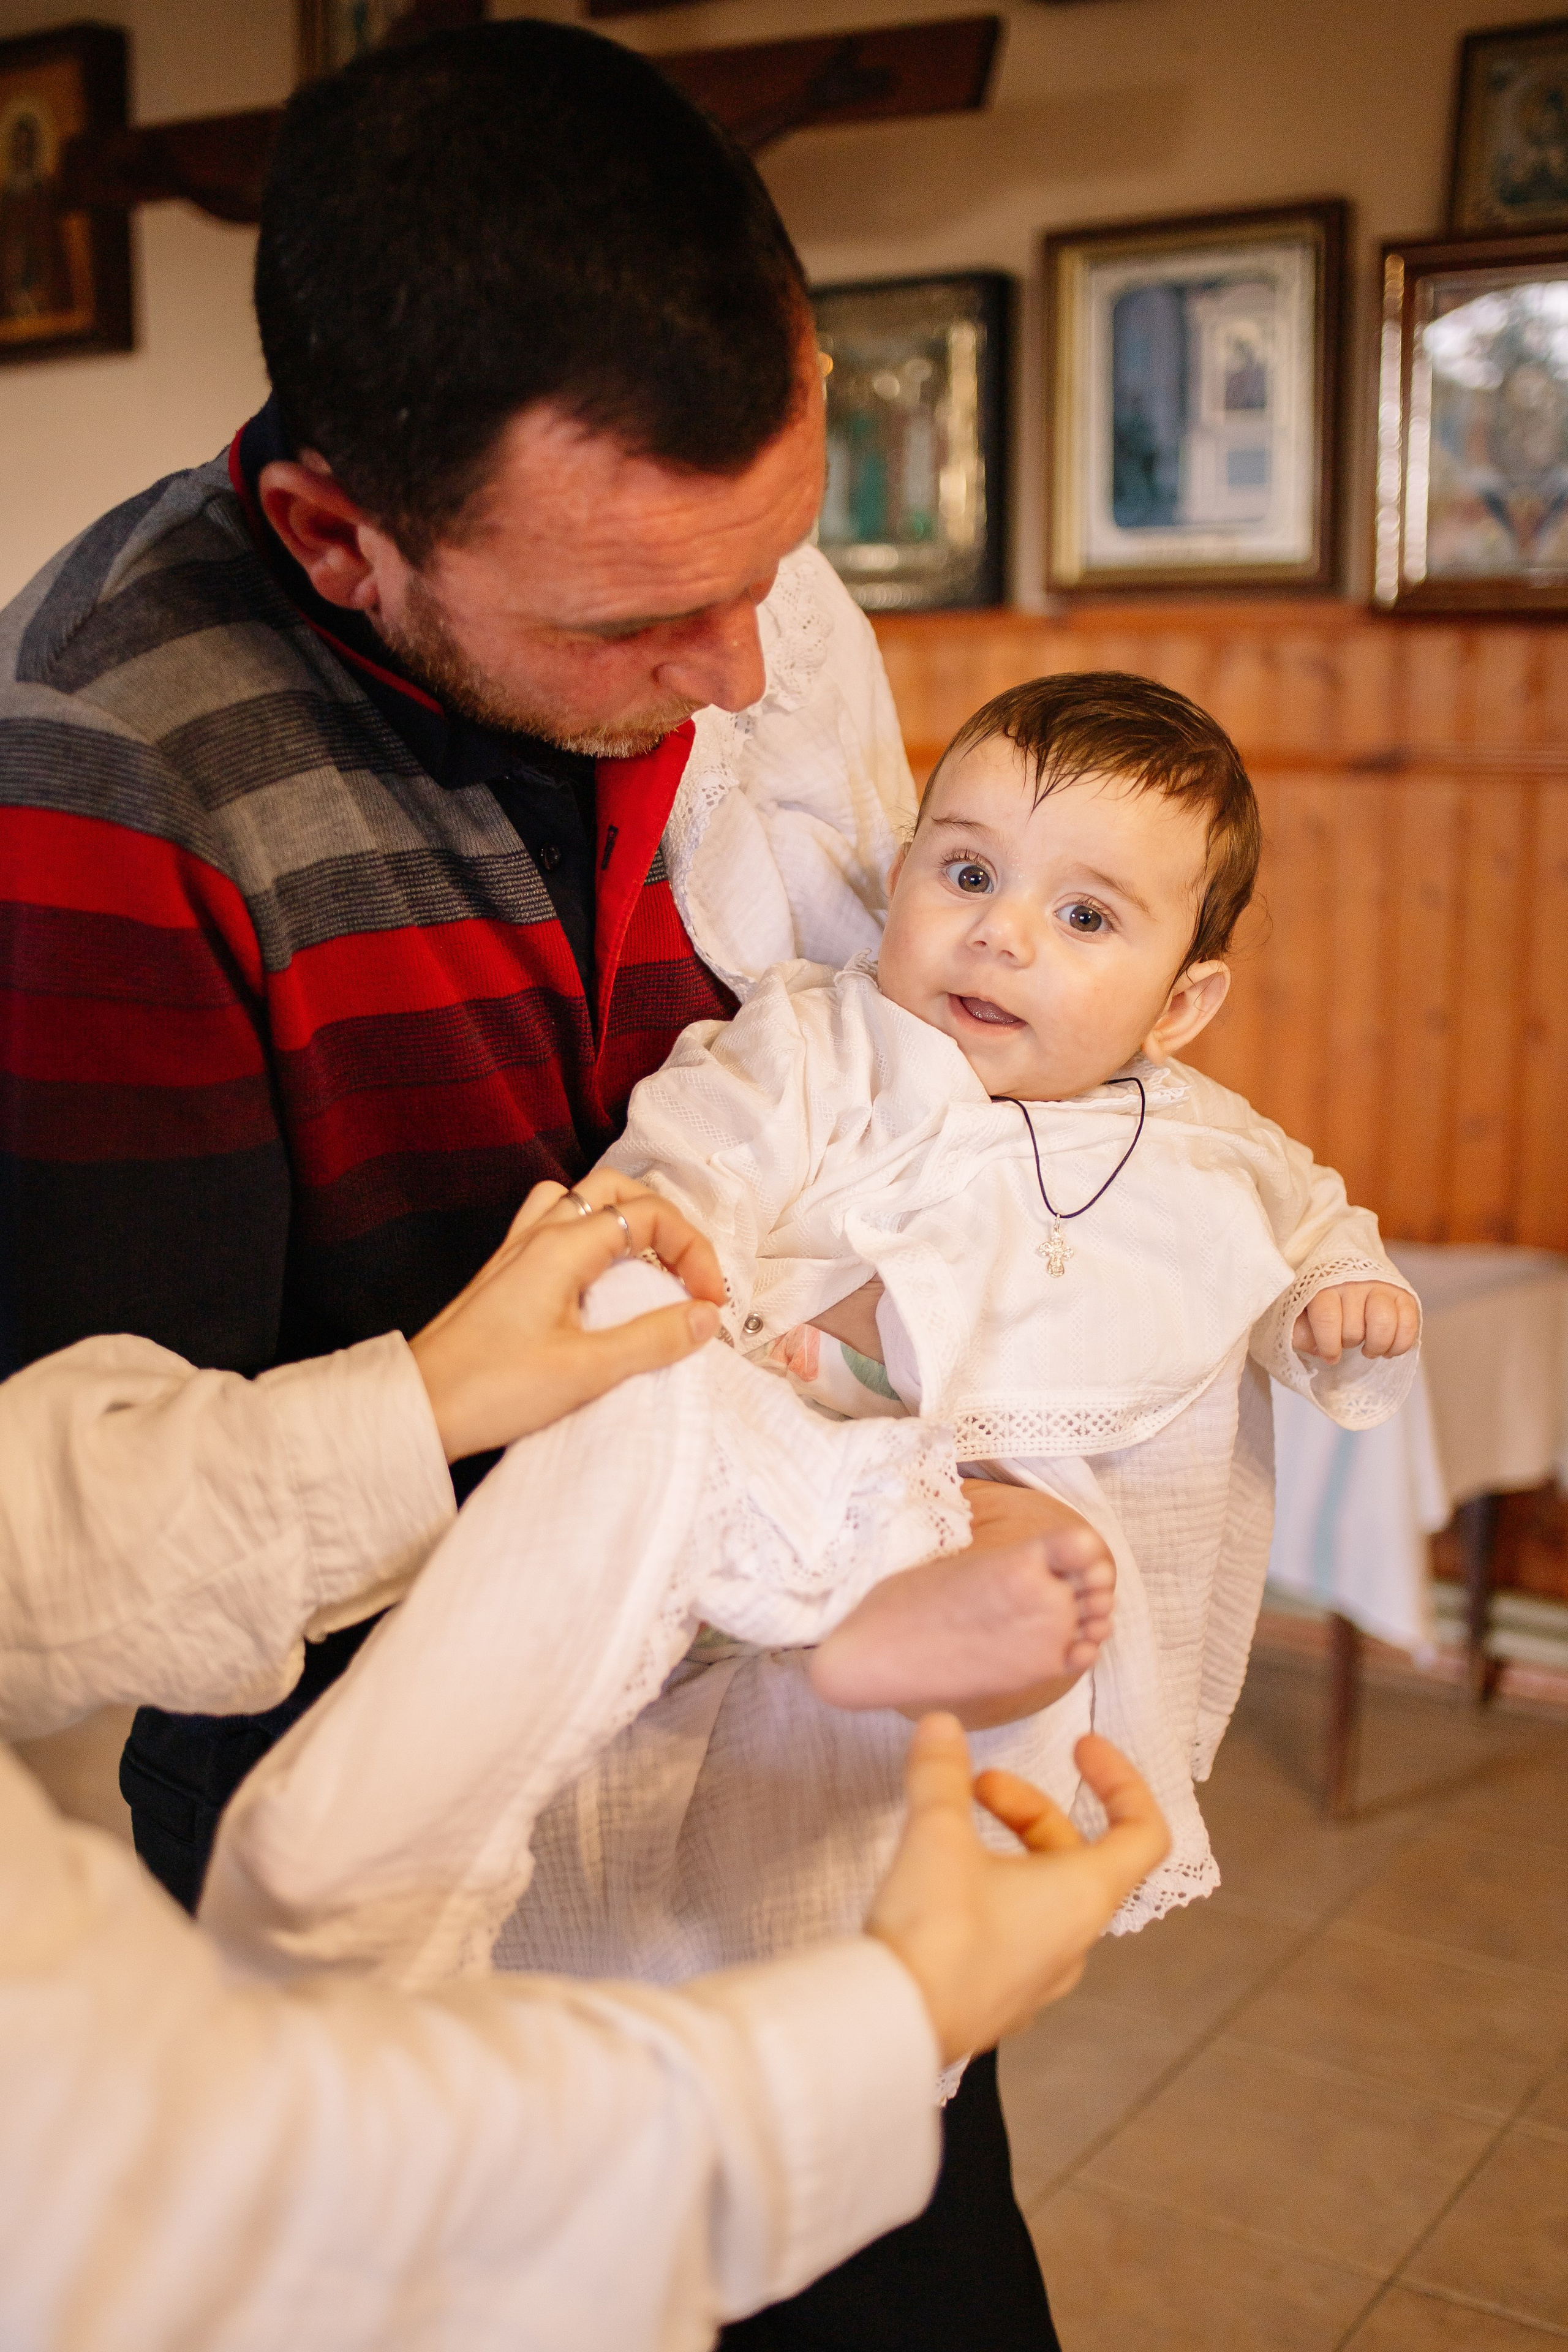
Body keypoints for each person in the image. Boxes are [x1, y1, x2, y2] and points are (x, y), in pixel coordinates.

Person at [0, 23, 1118, 2340]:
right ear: (337, 533)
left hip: (821, 1727)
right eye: (629, 628)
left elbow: (875, 1075)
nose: (741, 674)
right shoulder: (99, 780)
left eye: (773, 575)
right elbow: (101, 1522)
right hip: (429, 1818)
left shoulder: (732, 594)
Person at [468, 676, 1423, 2198]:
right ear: (901, 874)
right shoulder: (822, 1042)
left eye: (1086, 918)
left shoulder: (1191, 1128)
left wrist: (1341, 1295)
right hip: (796, 1432)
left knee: (1052, 1571)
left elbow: (1312, 1217)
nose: (1000, 935)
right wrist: (664, 1213)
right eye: (965, 873)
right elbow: (706, 1142)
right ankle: (840, 1623)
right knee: (760, 1520)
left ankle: (927, 1669)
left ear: (1179, 1002)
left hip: (996, 1510)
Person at [0, 1178, 1170, 2352]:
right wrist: (901, 2007)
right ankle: (870, 1569)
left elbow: (34, 1531)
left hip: (700, 1502)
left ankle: (878, 1574)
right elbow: (254, 2198)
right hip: (664, 1540)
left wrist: (421, 1402)